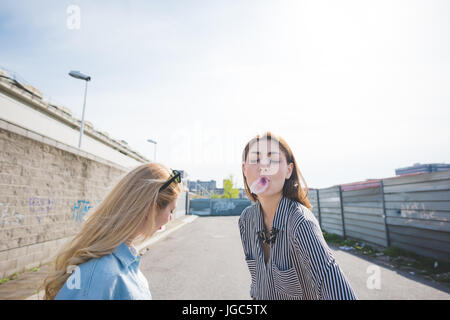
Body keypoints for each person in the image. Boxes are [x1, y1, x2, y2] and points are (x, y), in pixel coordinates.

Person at [239, 132, 357, 300]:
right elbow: (258, 285)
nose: (264, 166)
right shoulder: (246, 220)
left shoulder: (300, 222)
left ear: (289, 170)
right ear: (244, 169)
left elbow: (339, 293)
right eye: (255, 159)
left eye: (273, 159)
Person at [43, 163, 183, 300]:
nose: (171, 218)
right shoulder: (101, 277)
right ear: (151, 208)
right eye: (171, 211)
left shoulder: (120, 264)